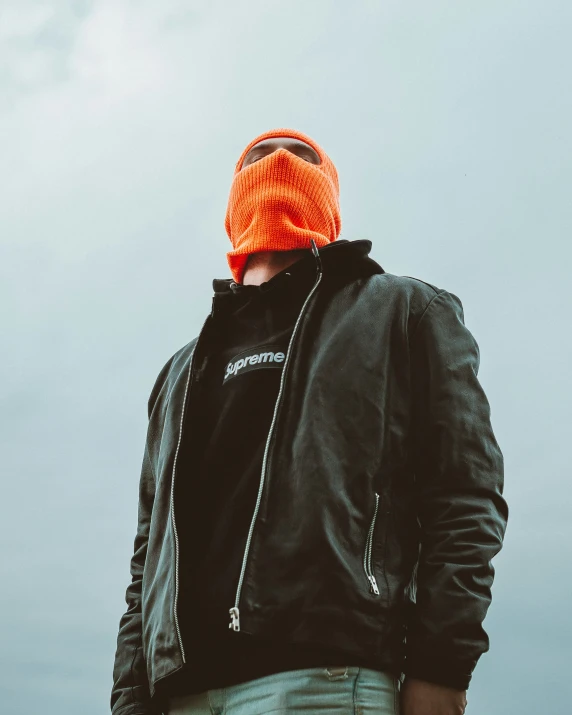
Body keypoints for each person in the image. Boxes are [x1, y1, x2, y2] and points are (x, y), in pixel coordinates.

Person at [111, 128, 508, 715]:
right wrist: (129, 697)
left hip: (326, 681)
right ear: (232, 210)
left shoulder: (402, 312)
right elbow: (148, 558)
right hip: (179, 696)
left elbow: (466, 499)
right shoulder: (179, 373)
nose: (277, 160)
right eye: (258, 154)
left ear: (329, 204)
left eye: (302, 155)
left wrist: (440, 667)